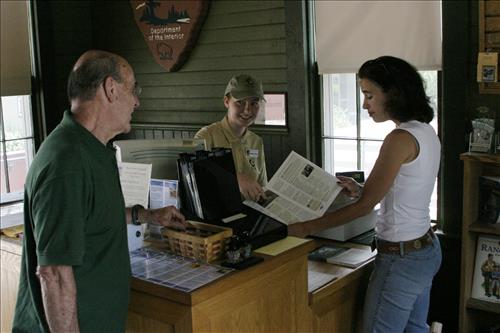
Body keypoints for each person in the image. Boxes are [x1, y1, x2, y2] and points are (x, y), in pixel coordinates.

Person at [12, 50, 187, 333]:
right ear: (111, 89)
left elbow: (91, 216)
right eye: (133, 90)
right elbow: (53, 273)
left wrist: (147, 215)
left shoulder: (96, 148)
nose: (137, 101)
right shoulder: (66, 162)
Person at [288, 56, 442, 333]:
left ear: (393, 93)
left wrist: (305, 227)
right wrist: (360, 189)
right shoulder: (425, 132)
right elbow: (401, 190)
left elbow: (365, 207)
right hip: (425, 249)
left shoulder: (399, 139)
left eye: (369, 95)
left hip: (401, 259)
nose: (364, 105)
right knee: (415, 329)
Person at [194, 74, 267, 201]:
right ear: (226, 102)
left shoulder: (256, 141)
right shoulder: (205, 136)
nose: (247, 110)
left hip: (251, 213)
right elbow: (195, 183)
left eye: (254, 103)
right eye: (240, 102)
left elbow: (262, 184)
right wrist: (235, 178)